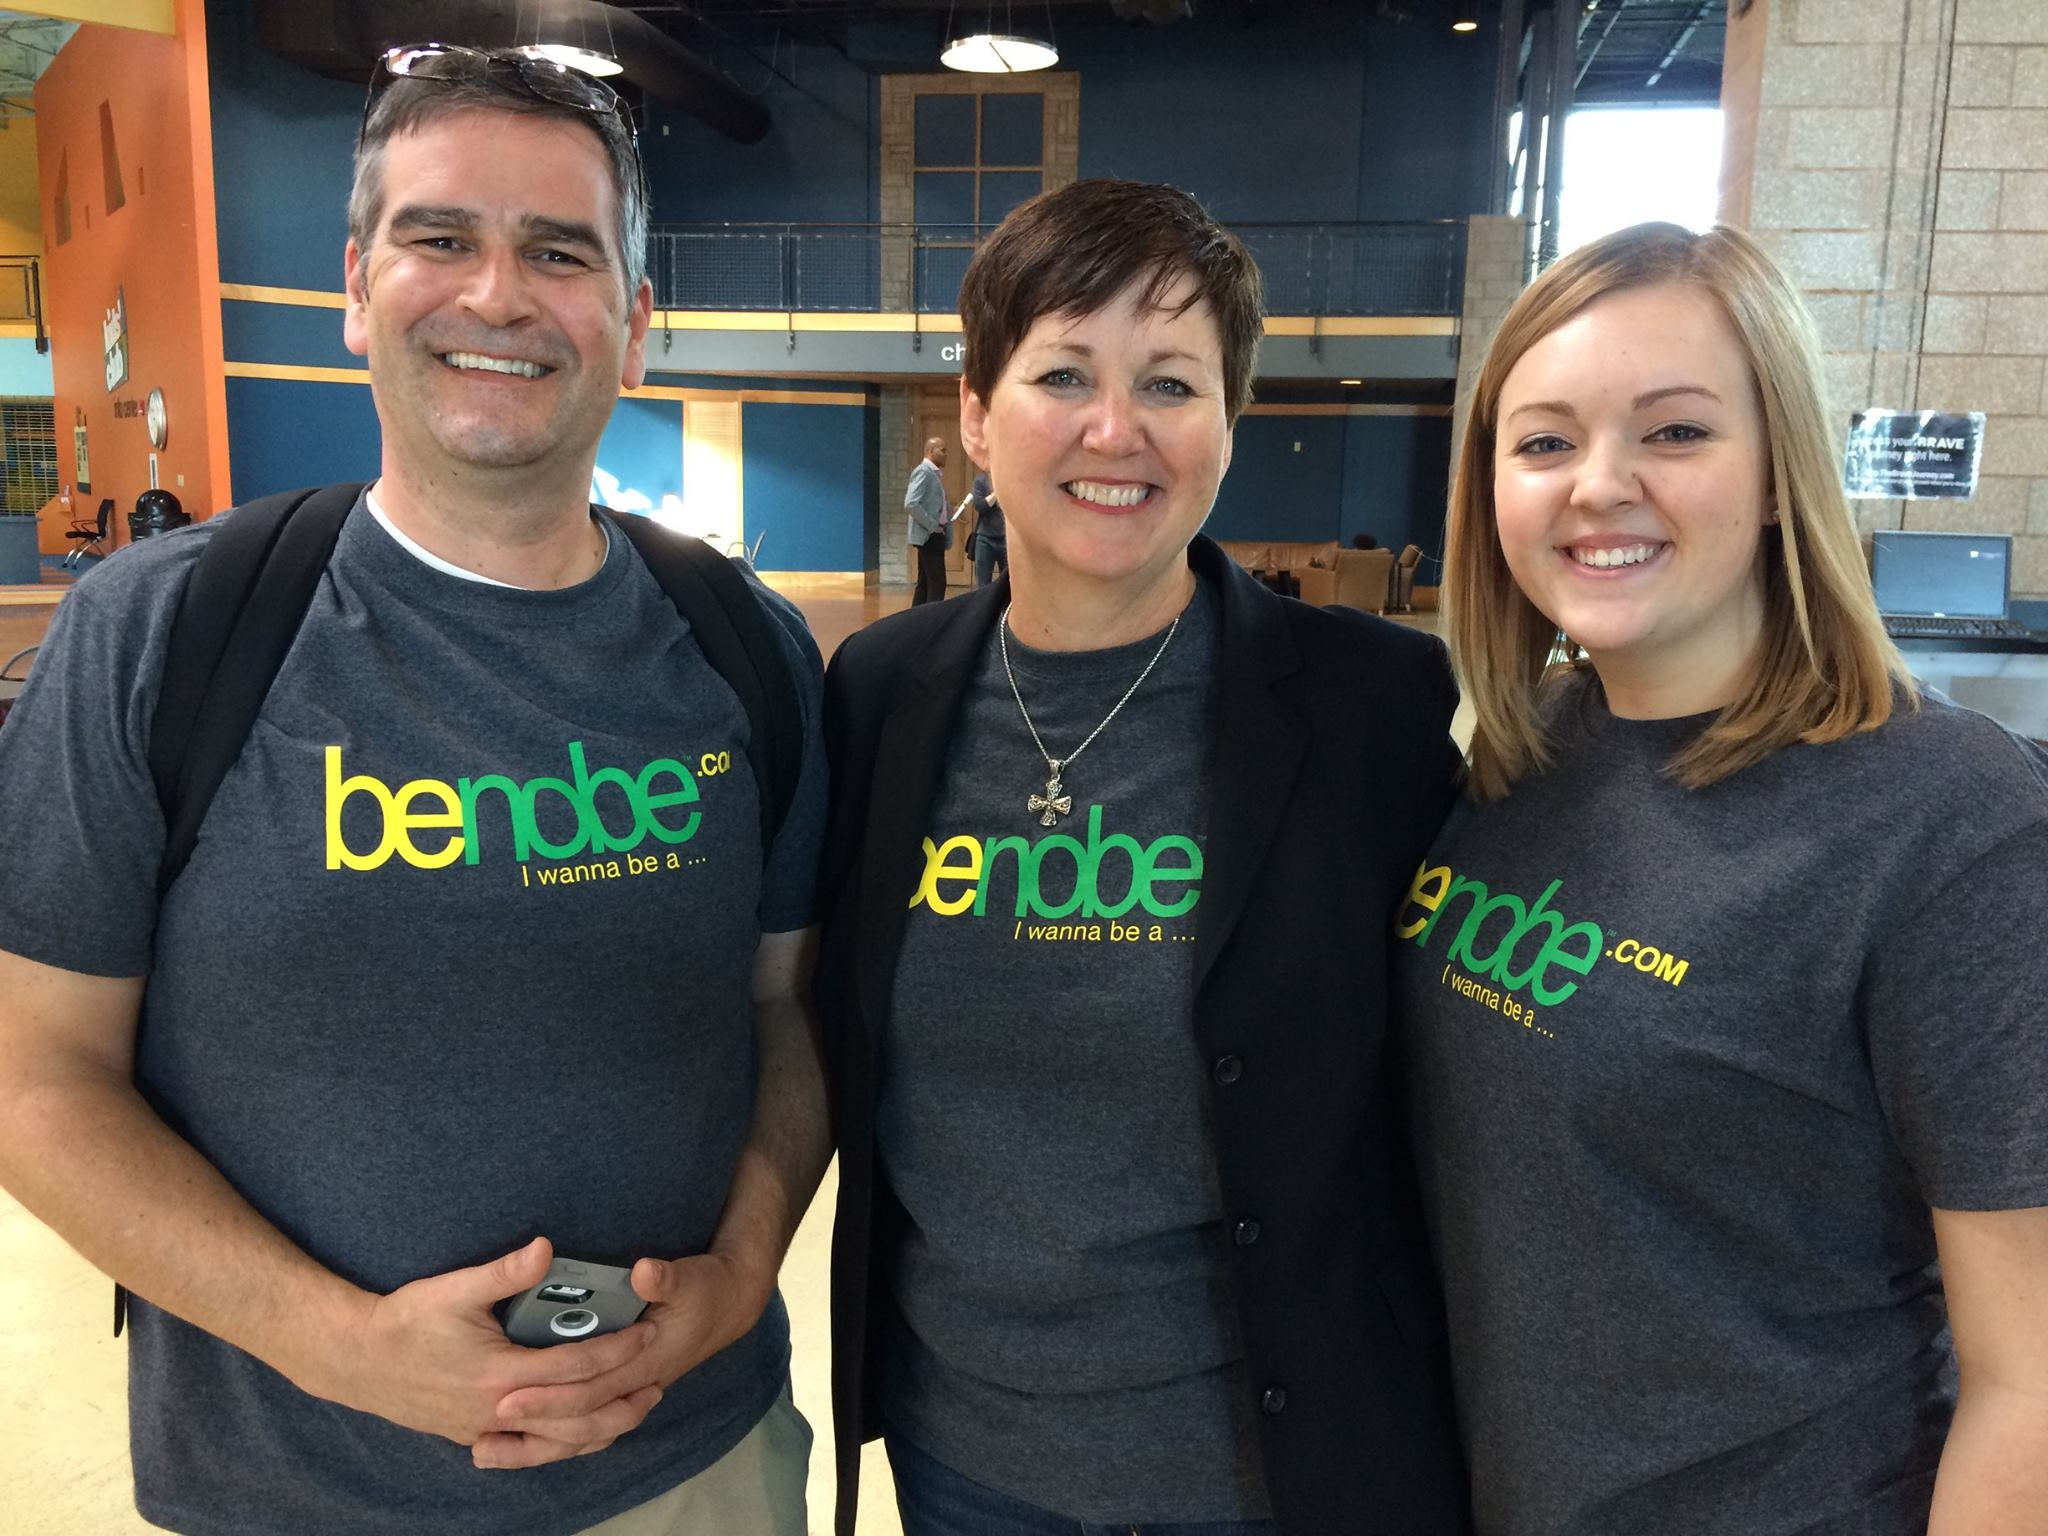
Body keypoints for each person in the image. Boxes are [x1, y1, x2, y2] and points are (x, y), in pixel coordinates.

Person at [0, 44, 831, 1535]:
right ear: (354, 286)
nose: (498, 296)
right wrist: (341, 1347)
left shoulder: (744, 648)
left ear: (635, 325)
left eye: (561, 252)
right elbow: (32, 1079)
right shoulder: (165, 635)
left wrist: (748, 1263)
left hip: (696, 1469)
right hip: (293, 1492)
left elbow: (784, 1014)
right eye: (440, 237)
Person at [815, 179, 1471, 1536]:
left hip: (1270, 1477)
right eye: (1064, 373)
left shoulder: (1372, 709)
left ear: (1230, 423)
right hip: (964, 1464)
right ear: (980, 419)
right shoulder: (880, 693)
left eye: (1172, 382)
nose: (1118, 431)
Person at [1405, 220, 2048, 1534]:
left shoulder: (1947, 817)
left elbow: (2029, 1382)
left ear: (1775, 472)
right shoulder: (1513, 765)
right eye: (1543, 441)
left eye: (1675, 431)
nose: (1598, 484)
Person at [906, 437, 952, 605]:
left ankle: (916, 620)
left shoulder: (933, 474)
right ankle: (932, 621)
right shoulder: (923, 472)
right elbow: (911, 503)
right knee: (937, 583)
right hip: (929, 535)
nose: (946, 454)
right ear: (930, 451)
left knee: (925, 583)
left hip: (934, 534)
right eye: (942, 450)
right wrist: (933, 525)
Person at [967, 468, 1006, 587]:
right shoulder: (980, 481)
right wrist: (996, 493)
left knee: (1009, 584)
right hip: (985, 539)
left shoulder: (1010, 479)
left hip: (1007, 539)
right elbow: (980, 506)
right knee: (982, 584)